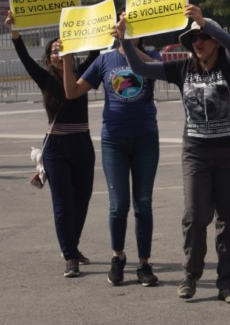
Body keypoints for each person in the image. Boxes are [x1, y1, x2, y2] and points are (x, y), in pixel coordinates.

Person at [118, 4, 230, 305]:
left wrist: (208, 23)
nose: (199, 42)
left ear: (213, 39)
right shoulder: (181, 68)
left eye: (203, 37)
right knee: (194, 218)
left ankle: (228, 283)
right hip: (196, 153)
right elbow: (140, 69)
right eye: (193, 39)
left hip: (229, 152)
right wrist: (124, 40)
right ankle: (191, 274)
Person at [63, 35, 161, 287]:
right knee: (118, 206)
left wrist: (133, 49)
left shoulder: (152, 56)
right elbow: (72, 91)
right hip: (114, 142)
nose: (127, 29)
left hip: (146, 140)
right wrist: (66, 59)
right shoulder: (105, 60)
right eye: (123, 24)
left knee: (144, 205)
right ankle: (118, 257)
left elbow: (160, 72)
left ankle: (144, 264)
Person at [6, 13, 99, 277]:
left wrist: (98, 22)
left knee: (82, 199)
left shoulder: (82, 74)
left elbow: (95, 51)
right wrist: (15, 33)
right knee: (63, 203)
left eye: (63, 48)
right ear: (48, 59)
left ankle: (72, 245)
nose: (59, 53)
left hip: (82, 143)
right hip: (56, 147)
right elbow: (24, 58)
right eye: (55, 51)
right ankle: (70, 256)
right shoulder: (44, 78)